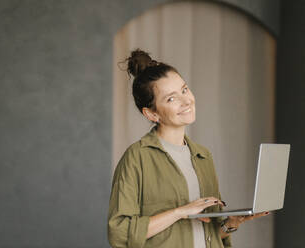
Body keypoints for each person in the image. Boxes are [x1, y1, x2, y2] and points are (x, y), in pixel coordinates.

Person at [107, 49, 269, 248]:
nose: (187, 101)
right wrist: (179, 212)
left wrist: (230, 225)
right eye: (171, 99)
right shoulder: (136, 158)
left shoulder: (203, 156)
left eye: (184, 89)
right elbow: (119, 233)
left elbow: (206, 233)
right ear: (151, 114)